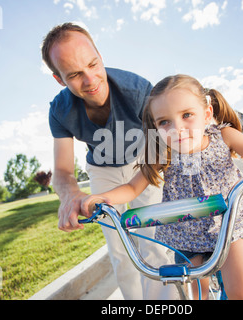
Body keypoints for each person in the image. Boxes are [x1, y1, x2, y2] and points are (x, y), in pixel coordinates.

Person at [81, 74, 243, 300]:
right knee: (195, 295)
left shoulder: (224, 136)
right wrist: (99, 198)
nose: (177, 128)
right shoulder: (163, 153)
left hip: (229, 227)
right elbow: (131, 188)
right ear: (156, 127)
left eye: (187, 115)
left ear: (207, 114)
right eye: (164, 122)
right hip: (187, 236)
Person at [41, 22, 178, 300]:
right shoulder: (59, 111)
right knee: (119, 250)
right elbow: (63, 171)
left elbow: (161, 148)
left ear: (101, 57)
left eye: (93, 64)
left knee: (152, 240)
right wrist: (70, 195)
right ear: (59, 79)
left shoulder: (139, 91)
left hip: (144, 160)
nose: (91, 80)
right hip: (102, 168)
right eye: (76, 74)